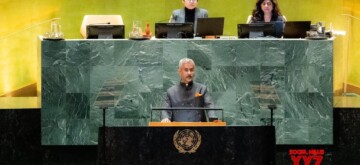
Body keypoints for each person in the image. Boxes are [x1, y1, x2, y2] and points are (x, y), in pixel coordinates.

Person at [161, 58, 216, 122]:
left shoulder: (202, 89)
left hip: (200, 129)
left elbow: (209, 105)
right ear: (179, 71)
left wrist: (212, 117)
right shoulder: (171, 92)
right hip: (177, 130)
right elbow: (165, 109)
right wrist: (165, 118)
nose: (189, 73)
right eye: (186, 70)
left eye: (191, 70)